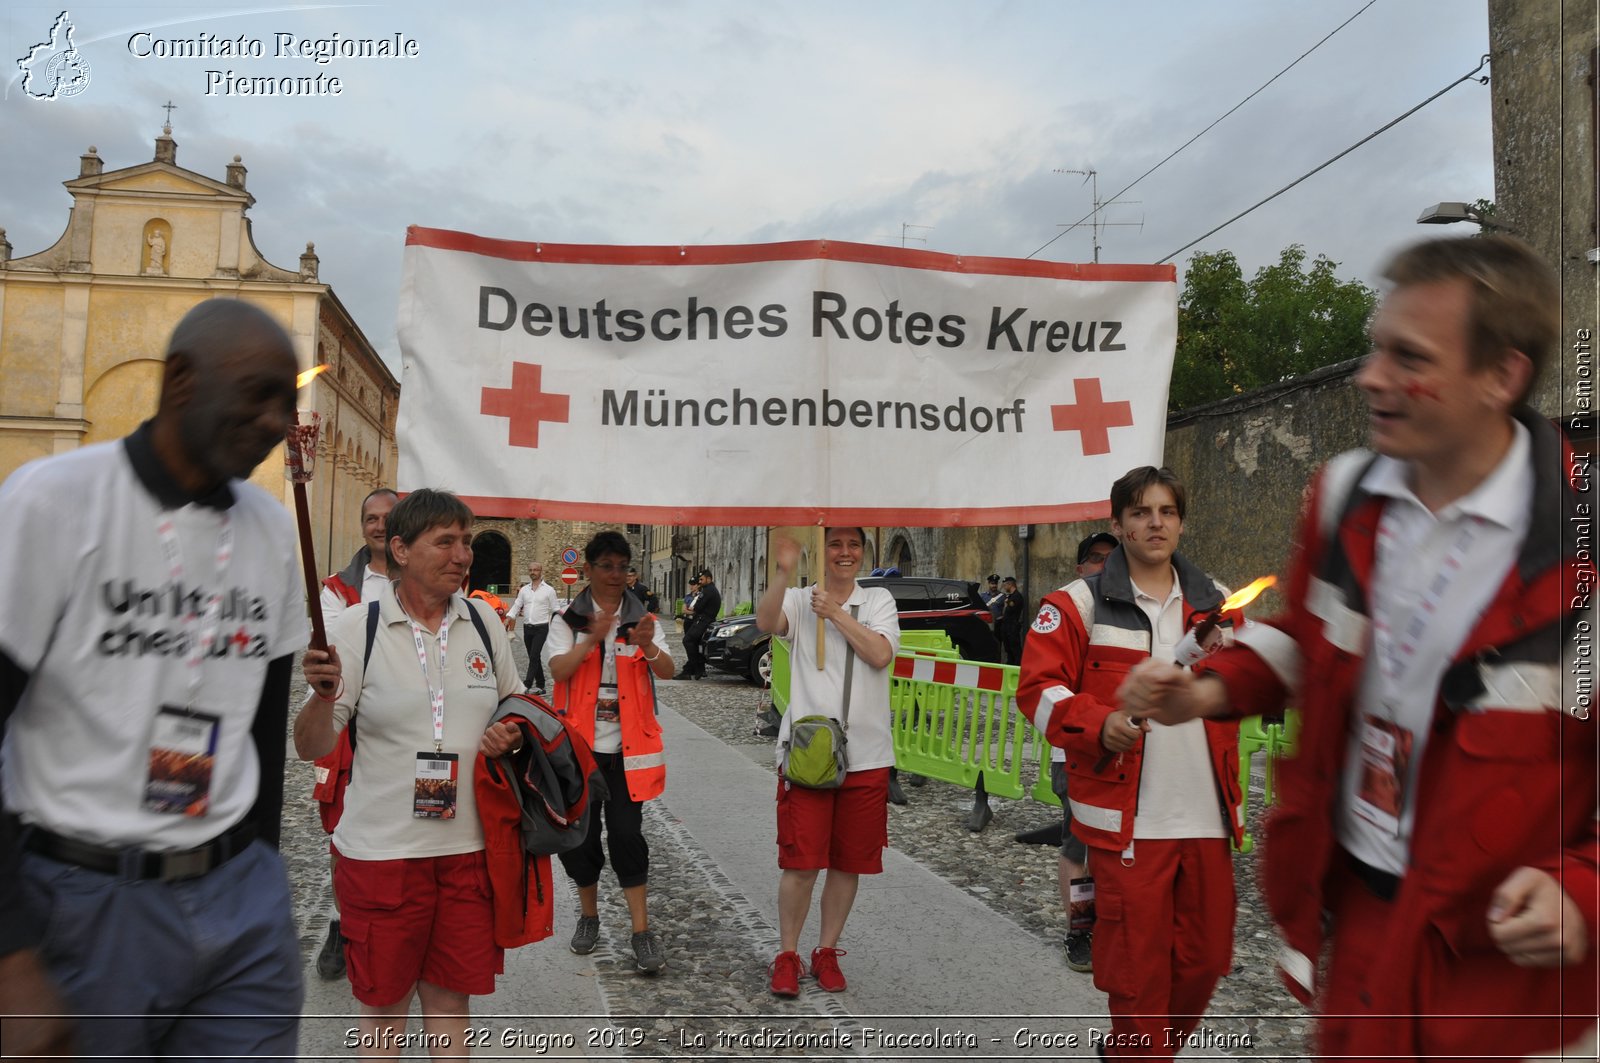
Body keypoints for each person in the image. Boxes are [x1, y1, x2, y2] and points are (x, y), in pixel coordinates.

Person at [1120, 235, 1598, 1061]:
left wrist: (1585, 888)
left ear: (1502, 376)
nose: (1369, 376)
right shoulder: (1347, 494)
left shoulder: (1582, 549)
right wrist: (1207, 689)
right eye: (1376, 346)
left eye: (1406, 356)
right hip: (1363, 920)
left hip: (1502, 972)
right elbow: (1312, 637)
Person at [0, 298, 306, 1059]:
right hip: (85, 900)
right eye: (258, 394)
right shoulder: (53, 502)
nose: (278, 421)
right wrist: (10, 954)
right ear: (179, 381)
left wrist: (262, 872)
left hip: (238, 897)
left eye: (288, 401)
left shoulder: (269, 531)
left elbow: (264, 730)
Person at [1018, 467, 1241, 1057]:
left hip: (1207, 816)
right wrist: (1101, 724)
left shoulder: (1215, 602)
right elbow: (1038, 690)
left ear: (1181, 522)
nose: (1155, 523)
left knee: (1206, 959)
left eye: (1167, 511)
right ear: (1117, 525)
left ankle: (1130, 1055)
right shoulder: (1077, 603)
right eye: (1141, 512)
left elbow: (1247, 684)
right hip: (1128, 825)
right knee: (1137, 974)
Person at [296, 488, 524, 1059]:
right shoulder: (356, 628)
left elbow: (516, 706)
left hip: (467, 854)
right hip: (382, 857)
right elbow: (310, 746)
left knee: (450, 1005)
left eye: (466, 542)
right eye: (444, 541)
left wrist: (510, 734)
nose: (462, 555)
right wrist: (322, 700)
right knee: (383, 1013)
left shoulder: (482, 622)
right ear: (400, 548)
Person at [756, 527, 901, 997]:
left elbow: (879, 654)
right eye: (835, 544)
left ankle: (826, 950)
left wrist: (836, 613)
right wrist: (783, 571)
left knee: (847, 862)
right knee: (801, 863)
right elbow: (765, 622)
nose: (844, 553)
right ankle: (788, 952)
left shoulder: (878, 601)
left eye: (853, 545)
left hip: (867, 755)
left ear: (863, 553)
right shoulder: (800, 601)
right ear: (823, 551)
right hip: (809, 754)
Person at [546, 531, 676, 973]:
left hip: (627, 750)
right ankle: (588, 916)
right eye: (607, 566)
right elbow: (558, 671)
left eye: (623, 566)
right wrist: (590, 639)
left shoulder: (643, 619)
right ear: (589, 570)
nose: (617, 574)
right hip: (578, 751)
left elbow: (670, 670)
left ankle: (642, 932)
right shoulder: (568, 619)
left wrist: (647, 644)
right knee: (579, 841)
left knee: (626, 837)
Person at [313, 485, 400, 981]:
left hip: (405, 725)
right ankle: (339, 921)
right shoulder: (336, 588)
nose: (379, 525)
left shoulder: (427, 584)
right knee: (342, 831)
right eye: (371, 517)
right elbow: (332, 653)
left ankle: (392, 922)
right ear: (362, 524)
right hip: (350, 727)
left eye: (389, 517)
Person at [1030, 530, 1119, 973]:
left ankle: (1115, 927)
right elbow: (1043, 688)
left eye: (1112, 558)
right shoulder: (1071, 610)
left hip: (1132, 762)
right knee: (1080, 848)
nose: (1105, 565)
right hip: (1080, 756)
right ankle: (1080, 930)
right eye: (1096, 558)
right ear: (1080, 567)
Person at [507, 562, 559, 694]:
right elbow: (517, 605)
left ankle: (527, 684)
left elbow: (556, 609)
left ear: (541, 571)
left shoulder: (549, 590)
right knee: (532, 657)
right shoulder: (524, 590)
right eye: (530, 570)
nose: (533, 572)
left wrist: (559, 625)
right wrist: (509, 618)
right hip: (527, 628)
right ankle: (541, 685)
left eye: (535, 570)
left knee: (535, 655)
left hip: (541, 628)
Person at [679, 567, 721, 679]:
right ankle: (696, 670)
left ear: (708, 579)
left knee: (687, 640)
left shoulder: (708, 591)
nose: (700, 582)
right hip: (705, 619)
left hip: (703, 620)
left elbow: (697, 607)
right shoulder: (710, 589)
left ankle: (695, 668)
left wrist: (694, 608)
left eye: (702, 579)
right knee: (695, 644)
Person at [997, 575, 1027, 664]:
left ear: (1010, 585)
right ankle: (1010, 665)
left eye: (1005, 585)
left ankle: (1017, 666)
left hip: (1012, 627)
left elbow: (1012, 611)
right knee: (1008, 649)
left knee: (1015, 649)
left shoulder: (1016, 597)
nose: (1004, 588)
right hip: (1006, 626)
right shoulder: (1010, 597)